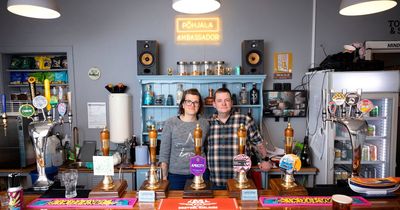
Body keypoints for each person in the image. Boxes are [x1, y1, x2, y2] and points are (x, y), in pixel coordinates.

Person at [207, 87, 273, 188]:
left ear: (232, 103)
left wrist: (265, 160)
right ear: (214, 104)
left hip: (241, 180)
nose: (223, 103)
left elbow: (258, 142)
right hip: (215, 180)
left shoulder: (245, 120)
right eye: (219, 101)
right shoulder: (208, 123)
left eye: (227, 100)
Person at [159, 88, 209, 190]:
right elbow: (164, 153)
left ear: (199, 106)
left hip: (200, 173)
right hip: (176, 175)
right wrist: (164, 177)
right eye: (188, 101)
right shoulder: (171, 123)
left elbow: (208, 148)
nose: (192, 105)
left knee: (201, 204)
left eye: (196, 102)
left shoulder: (205, 124)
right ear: (183, 104)